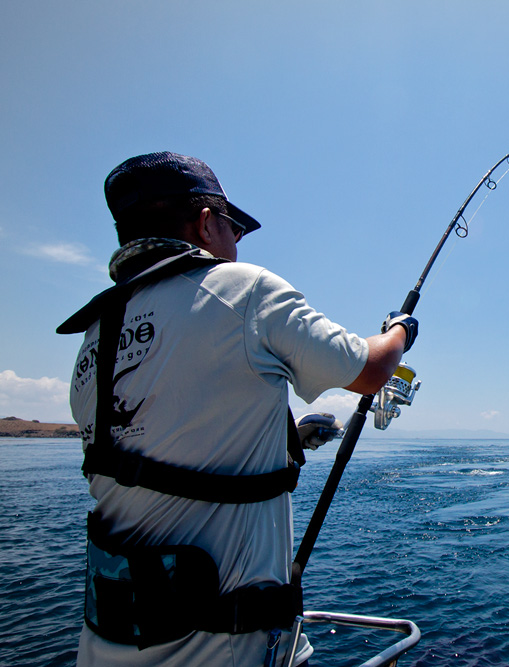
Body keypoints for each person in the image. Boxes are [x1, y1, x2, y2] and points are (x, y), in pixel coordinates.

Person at [57, 152, 418, 666]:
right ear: (207, 223)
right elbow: (370, 370)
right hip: (229, 653)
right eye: (234, 228)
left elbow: (162, 445)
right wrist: (401, 329)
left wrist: (289, 433)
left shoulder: (96, 338)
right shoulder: (242, 290)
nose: (237, 244)